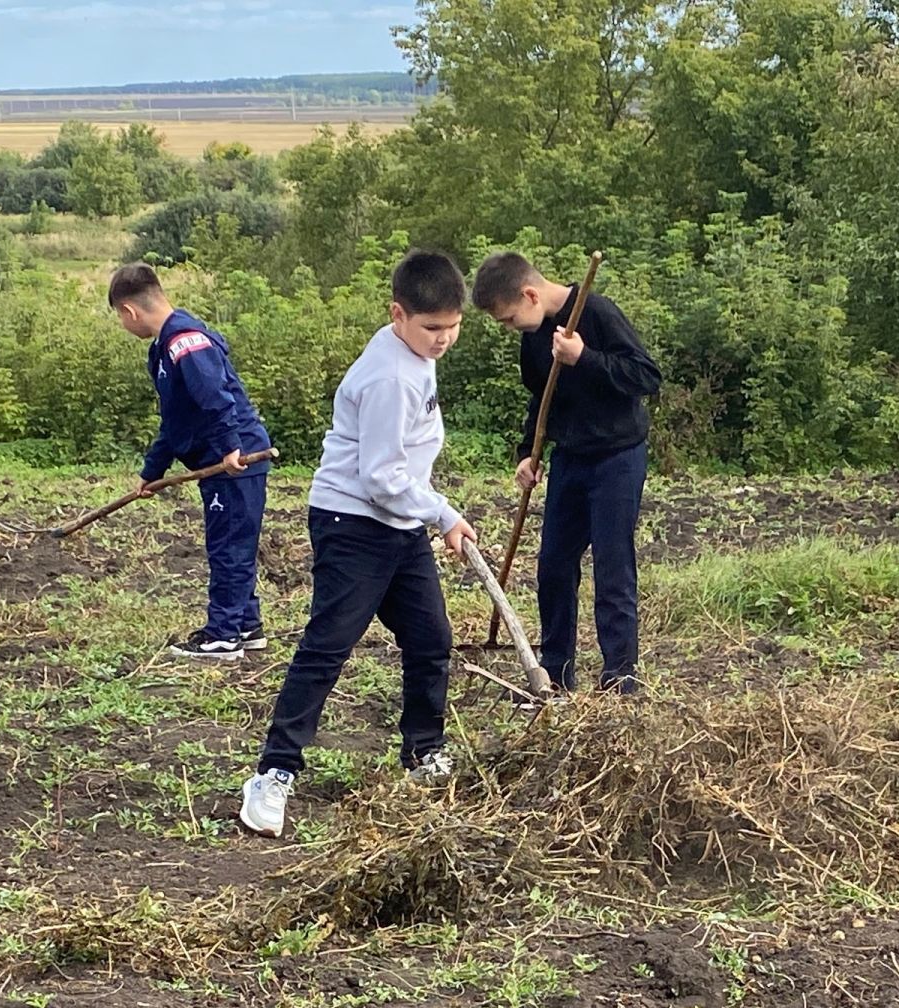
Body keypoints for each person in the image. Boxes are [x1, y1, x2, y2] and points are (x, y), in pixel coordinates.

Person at [239, 251, 477, 839]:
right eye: (431, 328)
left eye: (452, 326)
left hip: (398, 526)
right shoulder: (392, 375)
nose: (444, 339)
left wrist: (426, 514)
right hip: (354, 523)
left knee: (430, 638)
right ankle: (273, 774)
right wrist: (445, 513)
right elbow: (380, 477)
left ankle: (423, 753)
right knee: (329, 645)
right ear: (398, 315)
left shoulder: (413, 352)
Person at [471, 252, 661, 694]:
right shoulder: (535, 334)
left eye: (509, 318)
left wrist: (585, 358)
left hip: (617, 457)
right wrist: (527, 452)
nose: (510, 327)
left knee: (613, 565)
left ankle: (621, 678)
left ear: (531, 294)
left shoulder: (596, 311)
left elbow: (646, 376)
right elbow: (542, 396)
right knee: (554, 565)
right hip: (570, 460)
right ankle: (555, 673)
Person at [110, 262, 273, 659]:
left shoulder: (185, 342)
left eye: (119, 317)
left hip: (236, 459)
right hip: (222, 456)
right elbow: (176, 421)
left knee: (228, 546)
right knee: (233, 542)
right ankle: (246, 625)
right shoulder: (165, 347)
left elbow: (214, 398)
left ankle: (222, 636)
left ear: (130, 311)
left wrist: (231, 447)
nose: (123, 324)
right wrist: (152, 473)